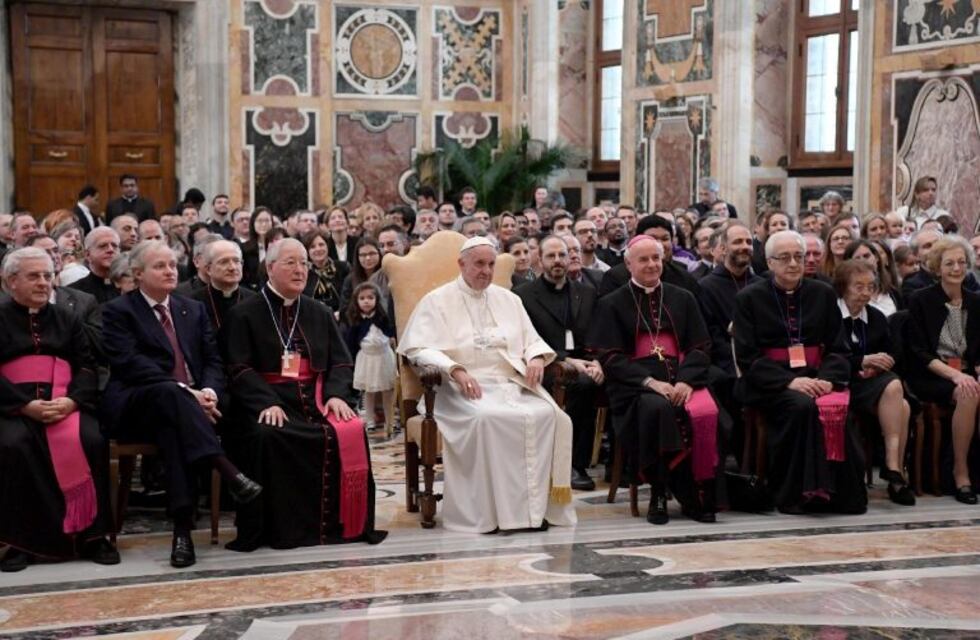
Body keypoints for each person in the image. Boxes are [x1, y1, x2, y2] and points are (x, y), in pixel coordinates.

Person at [398, 236, 576, 533]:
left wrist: (534, 358)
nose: (486, 271)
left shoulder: (510, 299)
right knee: (486, 418)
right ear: (462, 264)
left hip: (509, 383)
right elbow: (417, 349)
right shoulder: (436, 301)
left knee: (548, 415)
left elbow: (531, 340)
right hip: (457, 389)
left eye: (491, 264)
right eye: (479, 264)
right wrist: (454, 369)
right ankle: (488, 513)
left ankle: (532, 512)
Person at [101, 241, 262, 568]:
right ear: (138, 273)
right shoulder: (119, 311)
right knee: (171, 397)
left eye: (173, 265)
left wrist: (209, 392)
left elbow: (213, 360)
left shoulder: (192, 308)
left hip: (188, 407)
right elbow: (132, 365)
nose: (170, 271)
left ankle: (182, 533)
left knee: (175, 430)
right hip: (137, 404)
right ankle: (225, 468)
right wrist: (187, 393)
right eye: (160, 266)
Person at [223, 238, 386, 548]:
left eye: (304, 263)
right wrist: (266, 401)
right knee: (268, 434)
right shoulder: (244, 313)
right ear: (270, 268)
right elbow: (238, 368)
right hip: (269, 400)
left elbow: (340, 361)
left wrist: (338, 395)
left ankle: (344, 527)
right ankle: (282, 530)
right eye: (291, 263)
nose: (300, 270)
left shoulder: (319, 312)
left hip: (318, 399)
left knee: (351, 428)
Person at [733, 230, 867, 515]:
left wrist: (827, 381)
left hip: (818, 378)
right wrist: (790, 381)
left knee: (835, 406)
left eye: (799, 256)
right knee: (801, 406)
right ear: (769, 263)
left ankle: (839, 495)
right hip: (770, 383)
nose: (793, 263)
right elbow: (747, 357)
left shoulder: (823, 292)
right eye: (785, 257)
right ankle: (795, 494)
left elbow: (838, 347)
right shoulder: (749, 297)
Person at [0, 248, 117, 572]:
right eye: (33, 276)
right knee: (14, 444)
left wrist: (73, 401)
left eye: (48, 276)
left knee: (91, 439)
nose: (43, 282)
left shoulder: (68, 319)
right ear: (10, 281)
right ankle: (19, 542)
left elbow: (88, 366)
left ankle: (94, 536)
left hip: (64, 400)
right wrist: (24, 405)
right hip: (12, 405)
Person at [591, 236, 722, 523]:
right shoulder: (611, 304)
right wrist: (651, 383)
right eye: (643, 259)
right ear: (628, 264)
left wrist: (686, 382)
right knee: (657, 410)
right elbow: (610, 357)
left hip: (684, 380)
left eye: (656, 258)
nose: (651, 265)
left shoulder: (682, 297)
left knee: (710, 412)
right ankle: (660, 493)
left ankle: (701, 493)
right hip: (635, 388)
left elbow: (701, 347)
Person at [516, 236, 602, 491]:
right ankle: (573, 464)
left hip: (583, 364)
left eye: (562, 255)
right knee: (582, 385)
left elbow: (598, 332)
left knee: (598, 381)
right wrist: (566, 359)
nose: (557, 261)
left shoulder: (586, 293)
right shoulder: (523, 296)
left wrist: (597, 360)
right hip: (544, 365)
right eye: (551, 256)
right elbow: (523, 340)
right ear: (540, 260)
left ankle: (616, 465)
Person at [906, 236, 980, 504]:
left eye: (962, 262)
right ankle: (961, 473)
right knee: (968, 391)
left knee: (971, 386)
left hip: (969, 372)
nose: (957, 268)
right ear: (937, 268)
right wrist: (958, 375)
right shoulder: (920, 300)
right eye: (950, 263)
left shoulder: (976, 301)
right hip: (932, 374)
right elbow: (919, 352)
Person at [833, 259, 914, 505]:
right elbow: (829, 356)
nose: (866, 292)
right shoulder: (831, 314)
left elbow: (892, 354)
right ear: (844, 287)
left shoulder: (877, 318)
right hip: (841, 383)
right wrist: (861, 362)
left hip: (873, 384)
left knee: (899, 396)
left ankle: (893, 469)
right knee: (900, 402)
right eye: (859, 286)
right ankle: (896, 476)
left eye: (870, 286)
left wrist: (879, 365)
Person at [598, 215, 701, 298]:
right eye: (653, 238)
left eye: (665, 239)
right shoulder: (615, 277)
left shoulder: (684, 278)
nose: (659, 244)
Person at [188, 239, 256, 358]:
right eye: (224, 262)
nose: (232, 267)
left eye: (236, 261)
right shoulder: (192, 303)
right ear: (209, 269)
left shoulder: (255, 300)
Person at [344, 282, 397, 435]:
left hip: (383, 357)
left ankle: (390, 421)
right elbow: (351, 343)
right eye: (362, 298)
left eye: (370, 297)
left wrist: (392, 337)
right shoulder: (355, 321)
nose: (366, 301)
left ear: (377, 299)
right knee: (368, 391)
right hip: (367, 359)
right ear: (356, 301)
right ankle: (370, 420)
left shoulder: (383, 317)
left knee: (388, 390)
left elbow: (391, 332)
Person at [843, 239, 902, 316]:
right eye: (857, 258)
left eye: (866, 256)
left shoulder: (893, 293)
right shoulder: (846, 295)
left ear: (876, 258)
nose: (863, 261)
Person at [70, 227, 121, 305]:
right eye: (103, 246)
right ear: (87, 254)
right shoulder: (74, 292)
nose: (110, 250)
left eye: (114, 246)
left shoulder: (130, 287)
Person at [303, 230, 349, 312]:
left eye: (321, 245)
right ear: (307, 251)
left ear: (327, 246)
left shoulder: (343, 267)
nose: (318, 249)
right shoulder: (304, 274)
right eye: (312, 247)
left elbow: (350, 296)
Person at [241, 207, 275, 288]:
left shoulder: (278, 246)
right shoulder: (244, 248)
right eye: (259, 221)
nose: (263, 224)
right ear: (253, 223)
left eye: (267, 221)